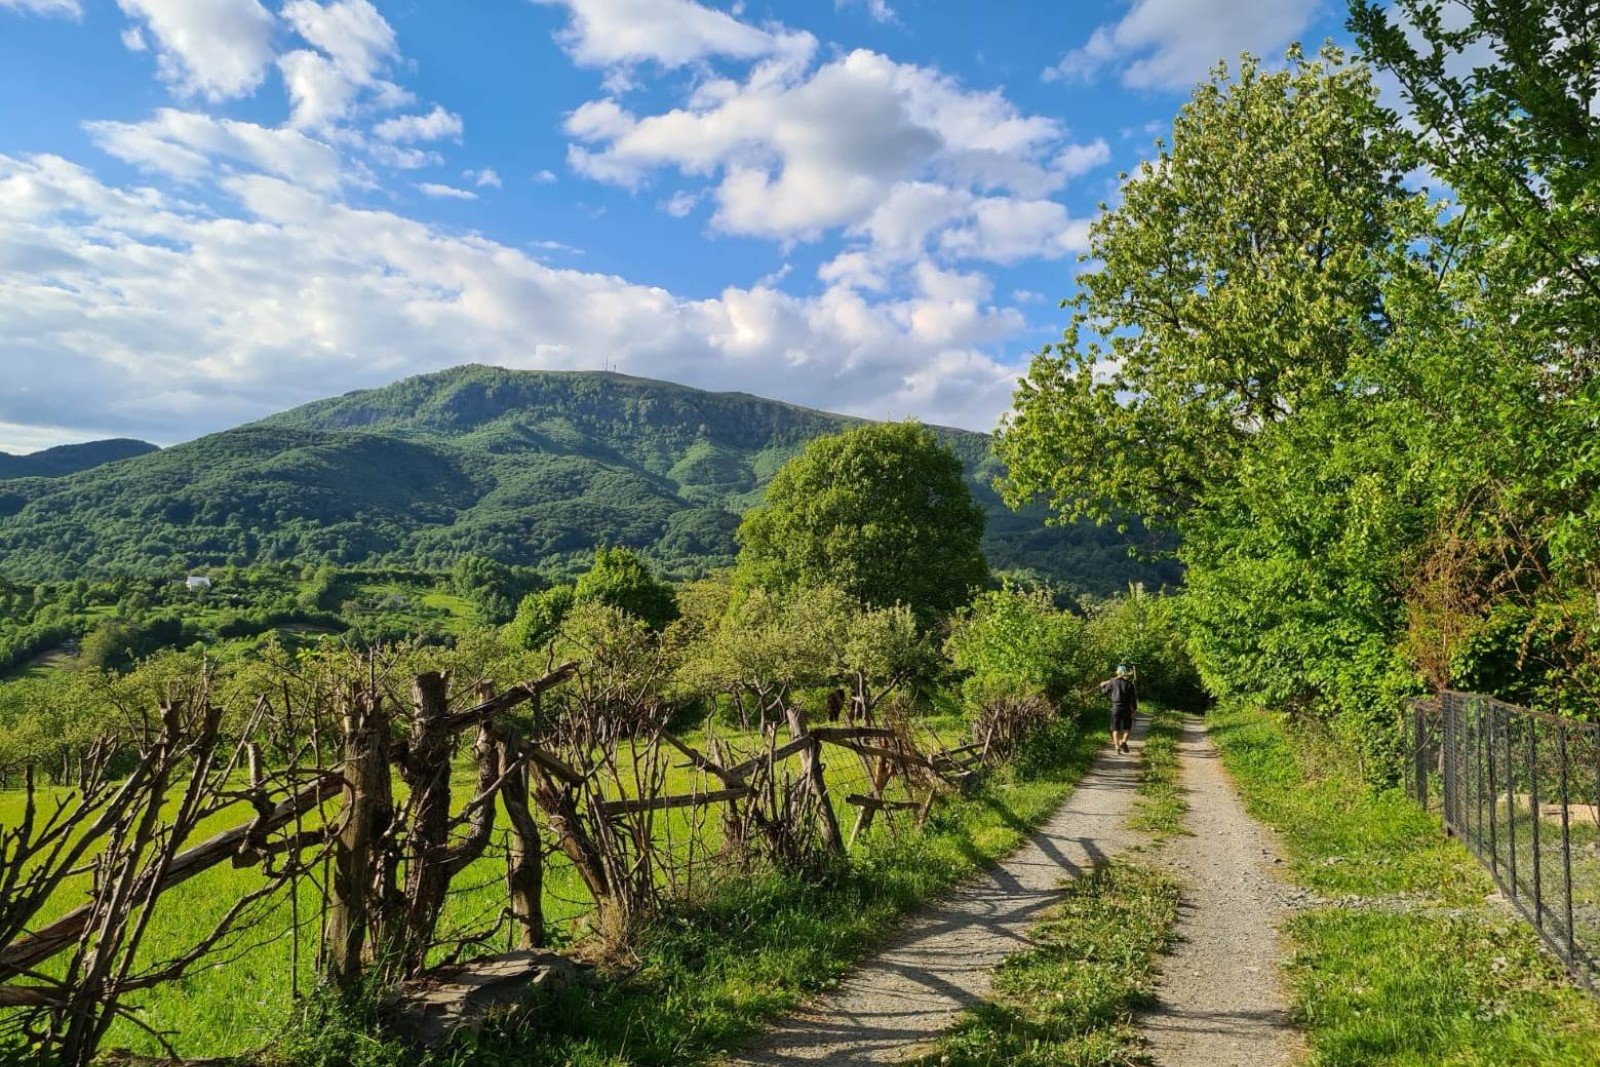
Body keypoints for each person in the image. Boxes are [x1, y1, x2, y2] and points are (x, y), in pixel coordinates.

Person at [1098, 664, 1138, 754]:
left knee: (1115, 729)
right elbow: (1133, 699)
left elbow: (1104, 693)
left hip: (1115, 708)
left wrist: (1101, 686)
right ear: (1125, 673)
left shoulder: (1112, 682)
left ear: (1117, 672)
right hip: (1126, 708)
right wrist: (1134, 709)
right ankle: (1124, 742)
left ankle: (1117, 747)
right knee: (1127, 728)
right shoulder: (1129, 684)